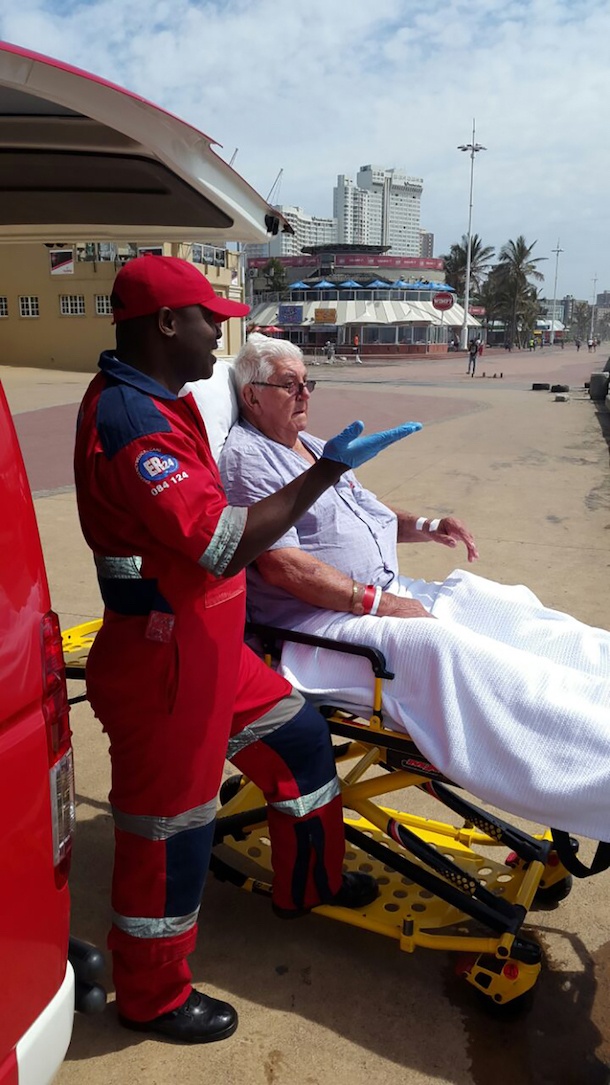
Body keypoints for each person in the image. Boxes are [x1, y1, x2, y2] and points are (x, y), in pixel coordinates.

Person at [73, 258, 420, 1044]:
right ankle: (153, 994)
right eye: (208, 319)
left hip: (210, 642)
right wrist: (322, 474)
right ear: (166, 323)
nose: (217, 336)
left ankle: (310, 883)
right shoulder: (132, 419)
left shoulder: (164, 402)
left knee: (298, 739)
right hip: (166, 658)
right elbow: (221, 542)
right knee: (171, 826)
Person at [219, 334, 610, 844]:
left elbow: (368, 513)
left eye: (307, 383)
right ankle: (593, 769)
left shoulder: (313, 447)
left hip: (380, 593)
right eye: (289, 385)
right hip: (318, 626)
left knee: (503, 608)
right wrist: (381, 605)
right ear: (251, 396)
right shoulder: (247, 460)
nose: (305, 395)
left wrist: (428, 524)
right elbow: (283, 568)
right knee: (453, 650)